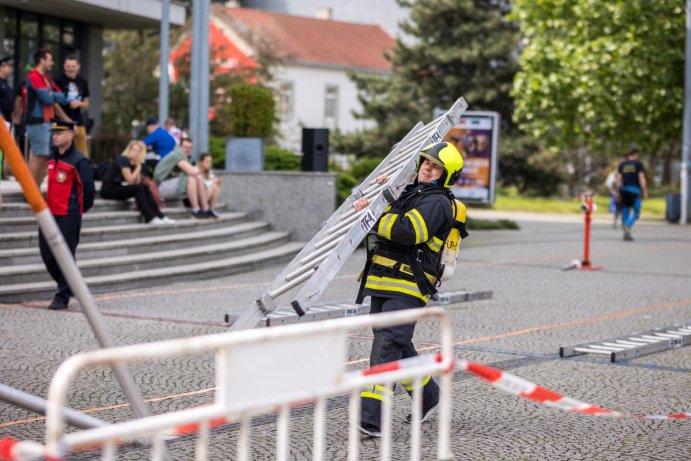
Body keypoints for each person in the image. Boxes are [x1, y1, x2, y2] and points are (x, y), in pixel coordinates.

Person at [351, 141, 466, 438]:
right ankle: (428, 396)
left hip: (409, 284)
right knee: (397, 344)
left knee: (388, 343)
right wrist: (381, 194)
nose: (428, 169)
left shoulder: (438, 202)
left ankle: (370, 417)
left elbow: (408, 232)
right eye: (426, 163)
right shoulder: (410, 193)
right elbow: (391, 215)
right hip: (383, 279)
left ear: (446, 175)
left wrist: (375, 215)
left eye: (435, 166)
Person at [39, 119, 94, 310]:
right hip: (49, 214)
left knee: (66, 256)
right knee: (47, 254)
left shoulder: (79, 161)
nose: (55, 136)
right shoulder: (52, 157)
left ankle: (62, 296)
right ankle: (70, 285)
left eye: (59, 133)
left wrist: (77, 211)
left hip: (68, 215)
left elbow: (89, 190)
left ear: (71, 134)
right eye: (54, 133)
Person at [24, 49, 71, 187]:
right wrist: (51, 95)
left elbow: (63, 98)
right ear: (42, 60)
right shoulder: (34, 76)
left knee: (44, 157)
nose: (52, 63)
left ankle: (35, 191)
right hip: (37, 122)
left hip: (47, 122)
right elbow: (47, 99)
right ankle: (29, 191)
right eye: (50, 59)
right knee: (38, 156)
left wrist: (51, 94)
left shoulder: (47, 78)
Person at [100, 140, 174, 225]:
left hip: (117, 187)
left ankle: (160, 216)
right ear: (129, 150)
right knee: (138, 188)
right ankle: (149, 217)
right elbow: (130, 180)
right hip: (107, 190)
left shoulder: (134, 163)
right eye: (134, 150)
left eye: (138, 151)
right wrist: (138, 167)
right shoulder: (123, 159)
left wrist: (137, 165)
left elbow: (137, 182)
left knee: (144, 186)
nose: (136, 153)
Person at [153, 138, 212, 219]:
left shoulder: (182, 156)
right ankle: (197, 210)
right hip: (159, 188)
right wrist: (200, 174)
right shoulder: (177, 155)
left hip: (167, 186)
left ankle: (205, 209)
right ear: (180, 147)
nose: (188, 149)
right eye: (185, 147)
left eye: (190, 148)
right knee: (191, 178)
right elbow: (192, 171)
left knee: (197, 178)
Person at [54, 54, 90, 157]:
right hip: (60, 122)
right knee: (61, 152)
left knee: (82, 154)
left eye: (73, 66)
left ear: (78, 66)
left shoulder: (83, 81)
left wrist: (79, 103)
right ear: (64, 66)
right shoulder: (57, 81)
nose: (70, 69)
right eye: (68, 66)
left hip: (79, 122)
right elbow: (54, 104)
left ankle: (80, 172)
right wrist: (68, 122)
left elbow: (87, 104)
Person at [616, 148, 648, 241]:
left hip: (624, 190)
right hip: (634, 190)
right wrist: (645, 190)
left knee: (626, 209)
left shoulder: (622, 164)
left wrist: (617, 191)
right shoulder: (638, 164)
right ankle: (628, 224)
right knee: (637, 211)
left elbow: (618, 178)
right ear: (635, 154)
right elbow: (641, 177)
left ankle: (626, 234)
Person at [0, 52, 14, 209]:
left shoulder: (5, 82)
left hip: (6, 122)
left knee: (4, 152)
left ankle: (3, 173)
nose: (10, 69)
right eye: (8, 66)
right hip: (1, 122)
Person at [197, 152, 222, 218]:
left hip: (207, 194)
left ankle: (212, 209)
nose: (209, 164)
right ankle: (204, 208)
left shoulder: (209, 171)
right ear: (201, 162)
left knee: (216, 187)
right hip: (197, 197)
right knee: (212, 187)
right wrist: (213, 181)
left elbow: (212, 180)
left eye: (210, 162)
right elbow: (204, 184)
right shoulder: (196, 170)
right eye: (207, 162)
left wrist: (217, 181)